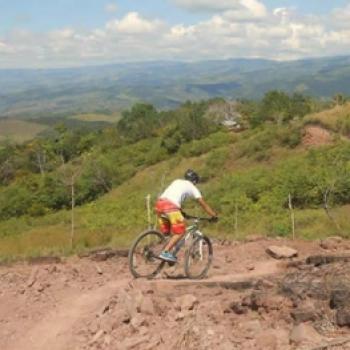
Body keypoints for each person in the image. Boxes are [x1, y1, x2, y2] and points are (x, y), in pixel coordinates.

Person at [155, 169, 218, 263]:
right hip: (171, 207)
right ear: (194, 181)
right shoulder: (192, 187)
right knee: (181, 232)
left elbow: (173, 196)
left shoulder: (177, 181)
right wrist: (213, 215)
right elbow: (203, 204)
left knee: (168, 234)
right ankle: (165, 252)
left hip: (159, 205)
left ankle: (159, 254)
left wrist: (180, 211)